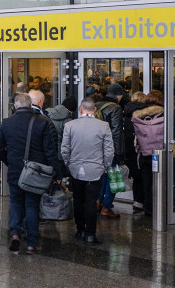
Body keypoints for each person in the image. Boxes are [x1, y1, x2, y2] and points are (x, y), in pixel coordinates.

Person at [0, 93, 62, 255]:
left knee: (15, 203)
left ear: (15, 107)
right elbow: (50, 152)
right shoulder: (41, 124)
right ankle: (32, 243)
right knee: (31, 206)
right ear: (31, 106)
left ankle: (15, 233)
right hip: (35, 173)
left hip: (15, 171)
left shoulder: (7, 123)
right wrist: (56, 173)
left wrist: (9, 160)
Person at [61, 98, 113, 246]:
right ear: (95, 110)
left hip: (76, 168)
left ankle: (80, 230)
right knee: (91, 201)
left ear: (80, 109)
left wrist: (69, 164)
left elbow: (65, 149)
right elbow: (109, 150)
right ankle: (90, 234)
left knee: (78, 200)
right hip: (95, 169)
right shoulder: (103, 126)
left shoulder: (70, 125)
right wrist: (105, 166)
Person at [131, 91, 165, 216]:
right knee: (161, 181)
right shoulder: (164, 114)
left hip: (144, 154)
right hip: (161, 154)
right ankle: (160, 206)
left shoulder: (137, 116)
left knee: (147, 182)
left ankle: (148, 207)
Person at [97, 84, 125, 219]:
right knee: (114, 177)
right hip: (111, 148)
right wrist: (119, 152)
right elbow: (117, 132)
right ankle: (107, 207)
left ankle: (98, 202)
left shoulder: (97, 105)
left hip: (98, 148)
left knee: (102, 176)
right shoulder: (115, 108)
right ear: (118, 95)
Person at [124, 91, 148, 213]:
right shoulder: (144, 113)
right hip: (141, 148)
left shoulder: (126, 112)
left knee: (136, 176)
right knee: (144, 176)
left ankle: (136, 202)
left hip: (129, 148)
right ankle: (142, 202)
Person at [46, 96, 77, 161]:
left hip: (46, 150)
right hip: (59, 154)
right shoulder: (68, 121)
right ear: (71, 110)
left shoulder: (47, 113)